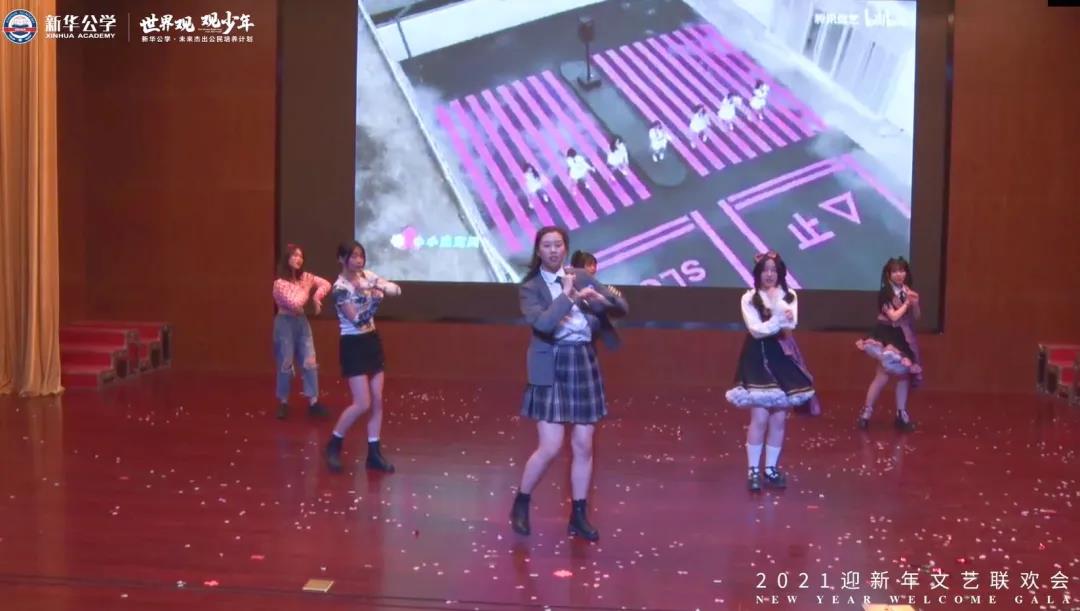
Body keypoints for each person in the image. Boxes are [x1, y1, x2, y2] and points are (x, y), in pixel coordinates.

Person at [509, 226, 629, 541]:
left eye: (558, 245)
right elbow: (544, 323)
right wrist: (567, 296)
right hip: (550, 362)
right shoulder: (531, 288)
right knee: (550, 446)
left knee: (584, 445)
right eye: (546, 245)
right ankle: (522, 500)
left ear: (565, 248)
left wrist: (600, 300)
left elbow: (621, 307)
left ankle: (578, 515)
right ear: (538, 251)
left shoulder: (581, 276)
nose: (553, 250)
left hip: (583, 361)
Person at [725, 252, 816, 492]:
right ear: (758, 272)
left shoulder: (789, 295)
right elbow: (756, 330)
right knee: (760, 417)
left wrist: (779, 310)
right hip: (758, 356)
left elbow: (790, 324)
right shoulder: (749, 298)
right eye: (765, 270)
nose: (769, 274)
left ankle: (771, 469)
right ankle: (753, 470)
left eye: (773, 270)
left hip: (782, 355)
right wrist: (778, 318)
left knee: (778, 419)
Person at [324, 240, 403, 473]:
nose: (359, 260)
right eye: (354, 256)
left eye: (361, 256)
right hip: (353, 344)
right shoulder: (339, 289)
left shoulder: (367, 276)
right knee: (362, 403)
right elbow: (358, 321)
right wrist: (376, 301)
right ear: (342, 259)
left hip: (371, 341)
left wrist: (384, 286)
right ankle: (333, 444)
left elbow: (395, 290)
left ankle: (374, 453)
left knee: (377, 399)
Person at [855, 257, 922, 432]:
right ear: (888, 274)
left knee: (903, 376)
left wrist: (915, 304)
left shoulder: (907, 290)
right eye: (895, 271)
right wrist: (907, 303)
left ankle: (901, 414)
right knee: (882, 375)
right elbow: (893, 317)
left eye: (902, 270)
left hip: (902, 337)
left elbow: (916, 316)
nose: (899, 274)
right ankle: (866, 412)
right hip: (886, 335)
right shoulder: (885, 292)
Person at [271, 244, 331, 420]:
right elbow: (295, 303)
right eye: (294, 255)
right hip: (285, 323)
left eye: (301, 256)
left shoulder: (305, 277)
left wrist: (317, 296)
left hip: (301, 322)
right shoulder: (279, 284)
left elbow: (326, 284)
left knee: (309, 361)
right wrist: (307, 288)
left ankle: (313, 402)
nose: (298, 259)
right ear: (287, 258)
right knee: (285, 362)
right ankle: (283, 402)